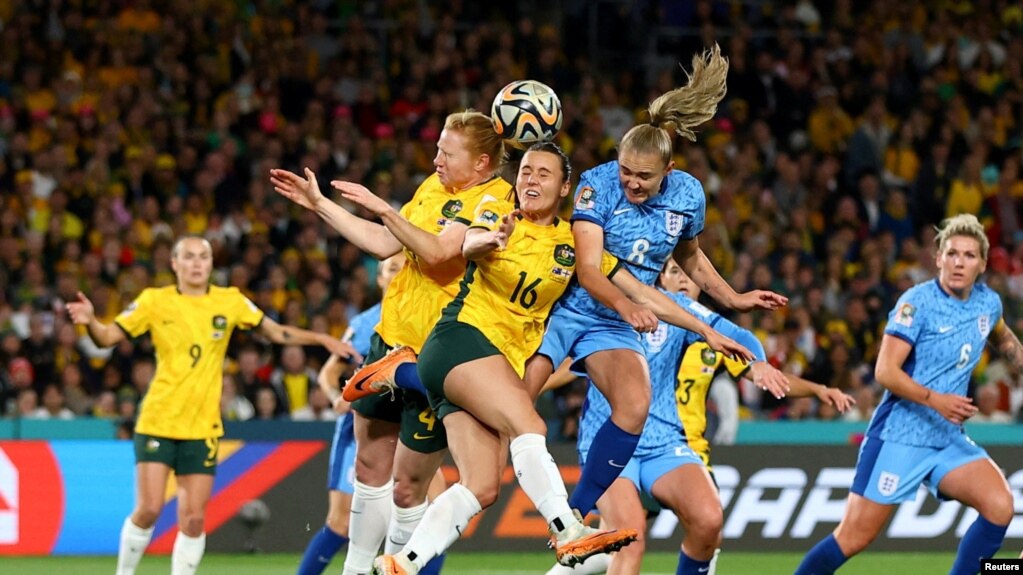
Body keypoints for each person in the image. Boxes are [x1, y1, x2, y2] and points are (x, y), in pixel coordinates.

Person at [524, 43, 788, 538]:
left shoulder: (688, 195)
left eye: (643, 176)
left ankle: (574, 518)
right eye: (625, 170)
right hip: (566, 311)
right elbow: (589, 269)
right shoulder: (594, 188)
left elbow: (688, 257)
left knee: (635, 406)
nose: (631, 183)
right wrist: (628, 304)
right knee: (516, 408)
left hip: (624, 317)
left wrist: (730, 298)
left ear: (668, 172)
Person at [372, 143, 641, 575]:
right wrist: (487, 240)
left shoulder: (572, 242)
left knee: (481, 485)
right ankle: (569, 532)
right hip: (463, 340)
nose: (531, 180)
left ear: (565, 186)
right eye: (526, 171)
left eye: (544, 174)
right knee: (529, 425)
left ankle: (403, 562)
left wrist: (709, 324)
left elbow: (635, 288)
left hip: (483, 366)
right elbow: (473, 240)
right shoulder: (498, 210)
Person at [271, 109, 511, 575]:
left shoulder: (494, 199)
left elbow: (440, 250)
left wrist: (382, 206)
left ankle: (392, 569)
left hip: (436, 356)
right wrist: (321, 205)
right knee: (368, 470)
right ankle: (356, 569)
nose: (436, 157)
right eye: (438, 147)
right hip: (388, 344)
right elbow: (387, 244)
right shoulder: (432, 187)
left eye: (448, 151)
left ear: (482, 162)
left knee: (408, 489)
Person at [66, 236, 356, 575]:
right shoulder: (154, 301)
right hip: (159, 418)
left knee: (193, 518)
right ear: (174, 264)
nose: (196, 263)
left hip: (202, 426)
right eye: (188, 257)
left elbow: (276, 333)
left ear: (211, 263)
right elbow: (106, 338)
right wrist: (89, 321)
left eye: (203, 256)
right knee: (148, 509)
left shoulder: (229, 301)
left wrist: (320, 338)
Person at [544, 259, 853, 575]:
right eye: (675, 272)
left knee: (708, 519)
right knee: (627, 538)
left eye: (689, 273)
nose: (684, 280)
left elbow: (738, 337)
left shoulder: (682, 315)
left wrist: (762, 364)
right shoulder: (606, 306)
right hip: (612, 443)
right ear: (659, 276)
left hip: (666, 444)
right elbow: (566, 361)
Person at [795, 214, 1017, 575]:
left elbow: (1003, 337)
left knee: (999, 506)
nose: (960, 262)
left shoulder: (987, 303)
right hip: (900, 434)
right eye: (952, 253)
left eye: (969, 255)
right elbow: (885, 371)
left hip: (946, 439)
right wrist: (937, 400)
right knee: (853, 537)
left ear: (983, 263)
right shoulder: (917, 303)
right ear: (939, 257)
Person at [297, 253, 448, 575]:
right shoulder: (367, 323)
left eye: (403, 267)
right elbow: (329, 373)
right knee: (339, 522)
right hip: (364, 426)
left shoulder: (429, 312)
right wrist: (335, 397)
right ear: (379, 279)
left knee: (437, 510)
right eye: (390, 269)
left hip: (412, 419)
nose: (398, 273)